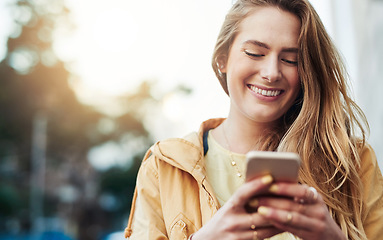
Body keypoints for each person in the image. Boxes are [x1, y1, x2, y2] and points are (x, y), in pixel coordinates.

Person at [124, 0, 383, 239]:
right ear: (222, 59)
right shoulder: (164, 167)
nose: (271, 73)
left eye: (291, 60)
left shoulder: (351, 162)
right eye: (255, 53)